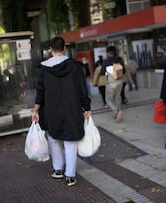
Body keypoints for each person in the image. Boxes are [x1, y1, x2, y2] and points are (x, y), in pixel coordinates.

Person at [31, 36, 91, 187]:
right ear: (64, 48)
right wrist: (87, 107)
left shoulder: (43, 69)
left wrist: (35, 110)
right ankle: (70, 176)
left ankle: (58, 170)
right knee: (71, 141)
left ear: (50, 49)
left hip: (52, 110)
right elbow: (83, 89)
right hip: (72, 109)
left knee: (54, 139)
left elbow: (40, 92)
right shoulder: (75, 66)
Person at [100, 46, 125, 122]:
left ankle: (117, 111)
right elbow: (124, 71)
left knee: (108, 100)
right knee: (117, 98)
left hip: (111, 83)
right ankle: (117, 113)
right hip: (120, 82)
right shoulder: (120, 60)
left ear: (108, 53)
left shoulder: (106, 61)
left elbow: (102, 73)